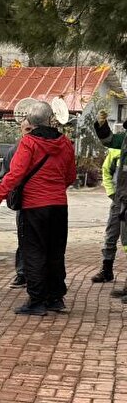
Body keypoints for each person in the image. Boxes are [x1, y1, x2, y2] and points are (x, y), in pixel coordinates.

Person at [0, 101, 76, 315]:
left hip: (34, 206)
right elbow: (70, 176)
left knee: (33, 252)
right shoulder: (66, 143)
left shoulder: (29, 143)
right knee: (55, 251)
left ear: (31, 122)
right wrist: (54, 190)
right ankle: (55, 298)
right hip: (59, 206)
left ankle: (37, 301)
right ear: (51, 120)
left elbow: (14, 176)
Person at [93, 111, 126, 286]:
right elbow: (108, 140)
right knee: (111, 233)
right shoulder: (122, 143)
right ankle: (107, 270)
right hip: (120, 198)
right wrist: (101, 124)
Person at [0, 121, 31, 289]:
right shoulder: (14, 151)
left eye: (31, 129)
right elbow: (7, 177)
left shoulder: (42, 148)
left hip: (40, 201)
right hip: (23, 202)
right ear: (21, 130)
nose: (29, 132)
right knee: (23, 237)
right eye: (26, 129)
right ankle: (22, 273)